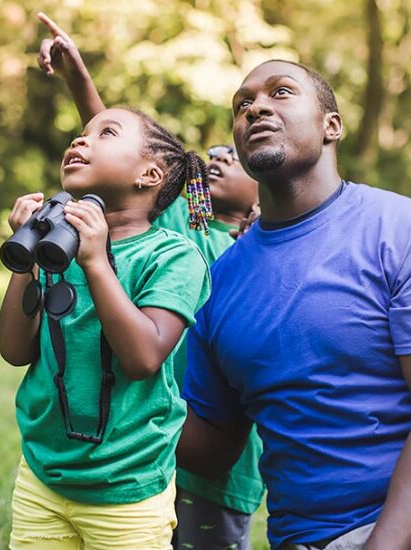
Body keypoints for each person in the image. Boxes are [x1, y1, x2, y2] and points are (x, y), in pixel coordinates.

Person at [177, 59, 411, 549]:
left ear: (332, 126)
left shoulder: (406, 232)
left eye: (280, 93)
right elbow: (213, 446)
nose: (255, 107)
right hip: (313, 537)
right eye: (243, 104)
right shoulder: (219, 284)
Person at [36, 13, 265, 549]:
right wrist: (79, 82)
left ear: (266, 189)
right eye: (216, 153)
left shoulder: (260, 249)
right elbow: (126, 165)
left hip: (218, 453)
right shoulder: (185, 224)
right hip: (146, 433)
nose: (220, 156)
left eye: (236, 157)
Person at [0, 104, 212, 549]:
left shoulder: (172, 257)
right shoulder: (56, 245)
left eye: (106, 133)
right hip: (44, 473)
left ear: (150, 175)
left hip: (126, 485)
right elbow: (15, 350)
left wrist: (96, 261)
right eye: (81, 133)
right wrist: (25, 260)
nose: (81, 140)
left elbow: (143, 357)